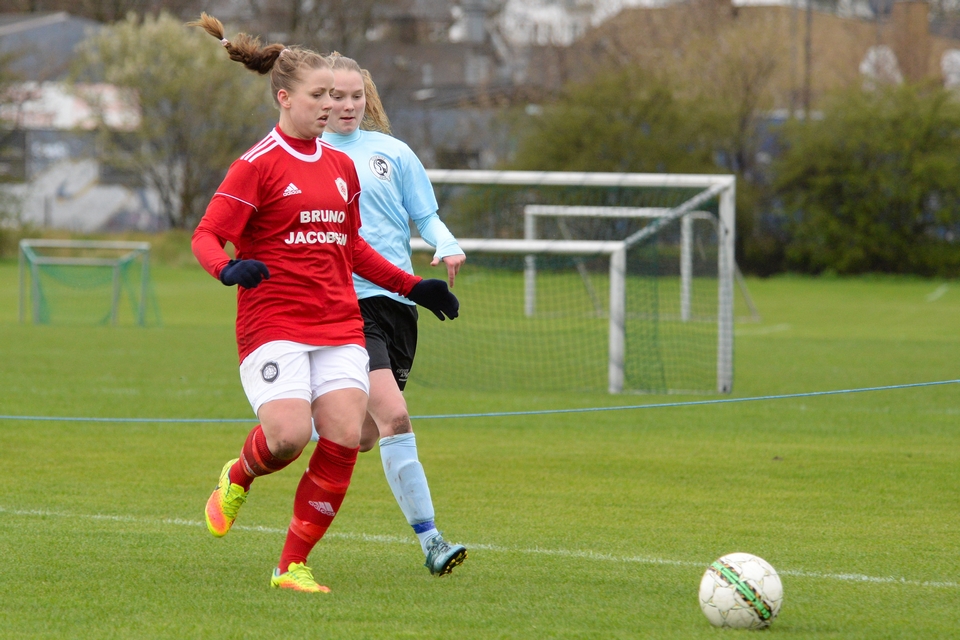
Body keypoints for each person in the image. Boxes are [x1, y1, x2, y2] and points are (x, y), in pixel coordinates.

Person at [187, 14, 459, 594]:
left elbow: (351, 246)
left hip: (339, 322)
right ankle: (239, 474)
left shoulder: (340, 167)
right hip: (274, 322)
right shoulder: (256, 164)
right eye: (319, 96)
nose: (331, 106)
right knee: (288, 436)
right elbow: (207, 235)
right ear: (285, 98)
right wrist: (227, 268)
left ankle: (292, 566)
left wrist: (414, 287)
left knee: (344, 436)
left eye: (336, 96)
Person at [319, 52, 468, 577]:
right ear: (318, 98)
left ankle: (277, 433)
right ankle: (432, 540)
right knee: (395, 416)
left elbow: (425, 214)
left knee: (361, 435)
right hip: (344, 303)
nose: (347, 105)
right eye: (335, 96)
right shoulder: (309, 154)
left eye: (355, 95)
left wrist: (447, 244)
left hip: (401, 303)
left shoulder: (393, 152)